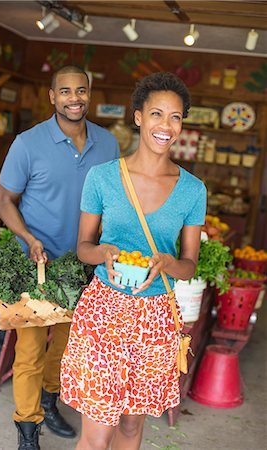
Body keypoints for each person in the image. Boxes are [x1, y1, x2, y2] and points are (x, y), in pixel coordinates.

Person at [60, 72, 207, 450]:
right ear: (138, 116)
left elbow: (190, 264)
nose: (166, 126)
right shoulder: (103, 178)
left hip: (156, 317)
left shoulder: (193, 190)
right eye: (157, 114)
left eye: (175, 117)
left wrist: (167, 263)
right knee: (96, 434)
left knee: (129, 427)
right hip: (103, 313)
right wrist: (103, 253)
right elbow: (83, 246)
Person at [0, 65, 120, 450]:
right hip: (34, 267)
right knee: (30, 351)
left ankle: (49, 401)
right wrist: (28, 237)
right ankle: (28, 428)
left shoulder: (108, 144)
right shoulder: (27, 143)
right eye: (64, 91)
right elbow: (4, 201)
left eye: (80, 90)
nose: (74, 99)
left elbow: (112, 203)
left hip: (84, 267)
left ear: (89, 93)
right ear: (52, 97)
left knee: (67, 346)